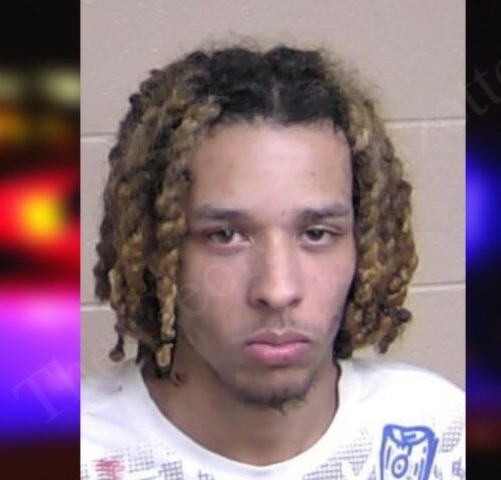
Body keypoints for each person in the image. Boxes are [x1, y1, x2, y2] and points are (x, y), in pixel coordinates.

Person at [81, 45, 465, 480]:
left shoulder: (441, 438)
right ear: (156, 249)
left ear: (365, 243)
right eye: (225, 236)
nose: (278, 290)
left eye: (316, 234)